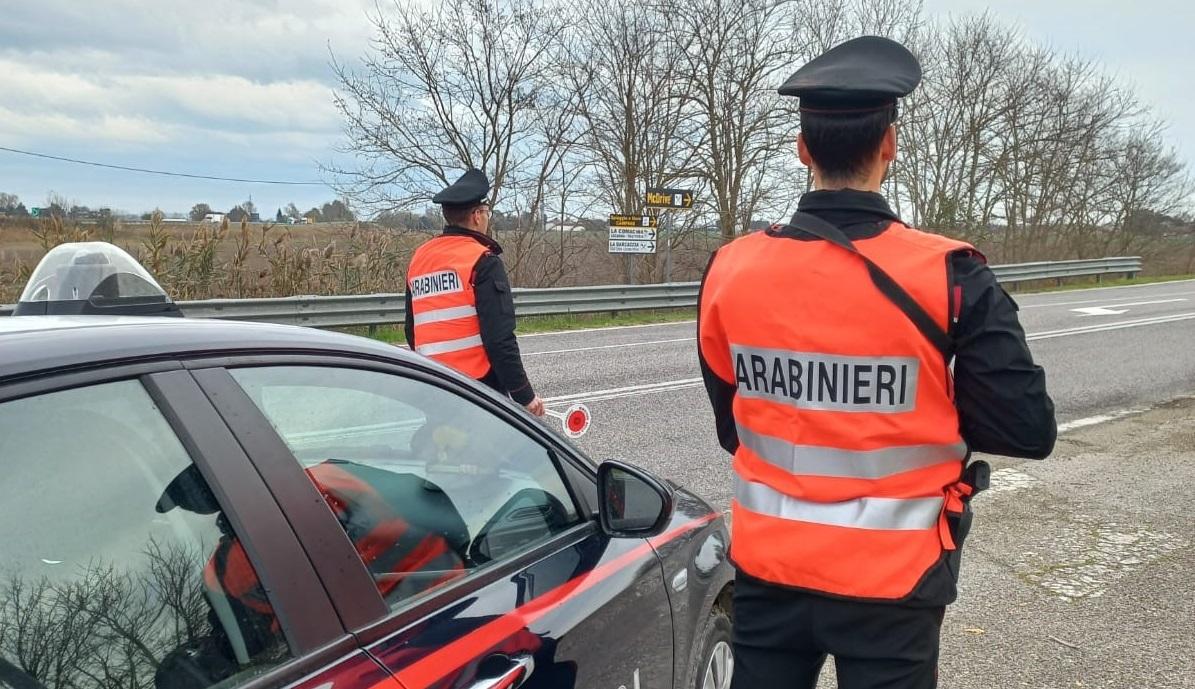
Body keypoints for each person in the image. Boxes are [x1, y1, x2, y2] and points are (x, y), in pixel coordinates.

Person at [696, 36, 1056, 689]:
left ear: (801, 149)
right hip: (895, 580)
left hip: (768, 570)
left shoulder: (728, 269)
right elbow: (1026, 430)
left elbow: (734, 425)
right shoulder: (950, 276)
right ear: (888, 145)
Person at [404, 169, 545, 416]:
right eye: (486, 211)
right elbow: (499, 339)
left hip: (434, 385)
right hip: (477, 388)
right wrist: (524, 395)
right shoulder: (482, 260)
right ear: (477, 216)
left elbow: (411, 329)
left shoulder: (419, 258)